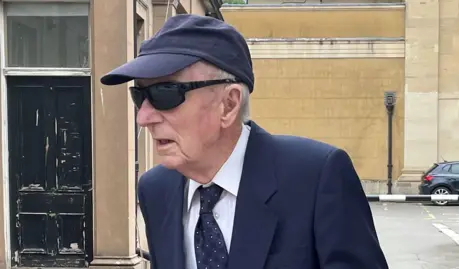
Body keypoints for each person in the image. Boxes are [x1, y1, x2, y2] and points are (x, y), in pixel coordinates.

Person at [100, 14, 389, 269]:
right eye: (139, 96)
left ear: (229, 104)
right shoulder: (156, 190)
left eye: (165, 93)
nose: (144, 117)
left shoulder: (316, 178)